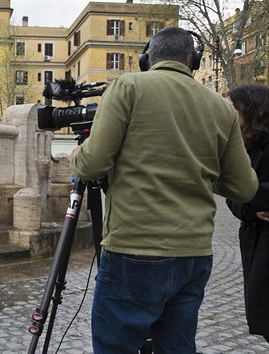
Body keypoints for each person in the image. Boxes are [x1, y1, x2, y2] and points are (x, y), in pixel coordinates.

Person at [70, 27, 258, 353]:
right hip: (193, 253)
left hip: (134, 248)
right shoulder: (221, 108)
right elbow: (245, 187)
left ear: (146, 59)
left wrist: (77, 156)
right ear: (193, 61)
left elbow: (92, 164)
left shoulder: (127, 87)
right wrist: (197, 170)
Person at [226, 83, 269, 344]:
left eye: (232, 110)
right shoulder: (242, 146)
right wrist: (248, 206)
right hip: (255, 241)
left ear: (249, 110)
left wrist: (250, 195)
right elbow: (232, 193)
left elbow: (243, 189)